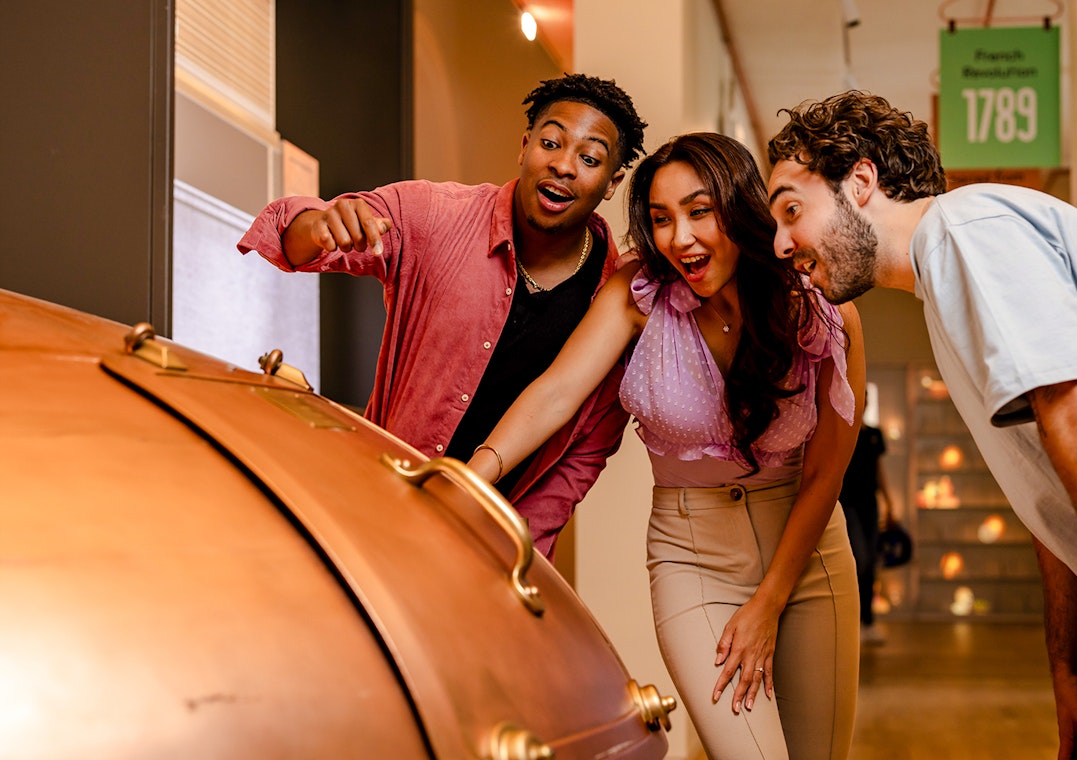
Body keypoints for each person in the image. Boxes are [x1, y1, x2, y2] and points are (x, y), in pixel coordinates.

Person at [766, 90, 1077, 759]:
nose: (781, 244)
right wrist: (1064, 667)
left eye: (791, 210)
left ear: (860, 182)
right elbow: (1058, 487)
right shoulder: (952, 271)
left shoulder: (963, 231)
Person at [469, 132, 865, 760]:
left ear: (740, 208)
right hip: (693, 558)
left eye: (699, 211)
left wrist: (771, 601)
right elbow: (556, 392)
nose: (679, 238)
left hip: (808, 554)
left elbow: (825, 474)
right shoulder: (639, 296)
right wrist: (470, 479)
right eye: (660, 219)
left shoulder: (815, 309)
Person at [236, 74, 647, 560]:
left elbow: (579, 460)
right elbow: (291, 234)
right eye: (551, 142)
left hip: (486, 547)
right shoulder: (436, 216)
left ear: (612, 183)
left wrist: (514, 557)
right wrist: (319, 224)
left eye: (590, 158)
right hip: (377, 508)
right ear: (525, 146)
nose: (563, 165)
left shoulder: (620, 301)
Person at [838, 400, 894, 645]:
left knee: (870, 562)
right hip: (846, 503)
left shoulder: (874, 435)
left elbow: (879, 470)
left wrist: (890, 502)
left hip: (869, 504)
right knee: (858, 560)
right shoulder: (842, 431)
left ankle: (868, 622)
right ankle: (852, 622)